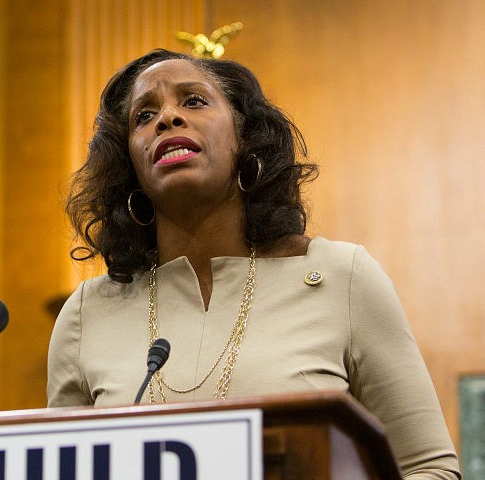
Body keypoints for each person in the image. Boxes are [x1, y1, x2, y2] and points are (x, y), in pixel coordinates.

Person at [47, 49, 461, 478]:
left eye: (193, 101)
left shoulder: (343, 276)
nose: (167, 118)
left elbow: (428, 468)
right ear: (129, 165)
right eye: (144, 115)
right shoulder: (85, 314)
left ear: (246, 137)